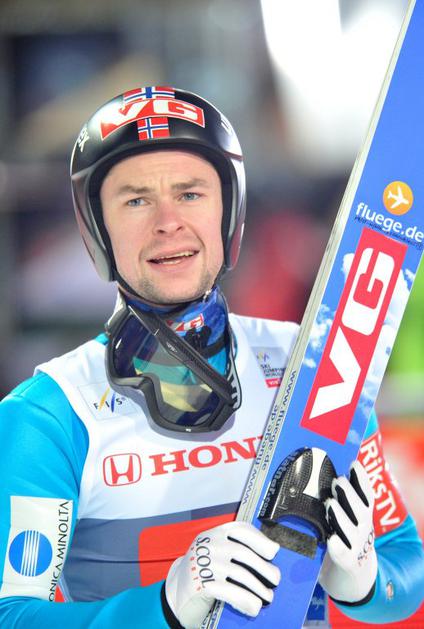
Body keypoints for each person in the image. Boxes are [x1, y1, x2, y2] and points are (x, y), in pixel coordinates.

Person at [0, 86, 422, 629]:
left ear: (230, 212)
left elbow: (405, 566)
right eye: (135, 200)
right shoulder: (50, 416)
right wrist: (168, 603)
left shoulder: (315, 364)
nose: (168, 221)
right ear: (97, 229)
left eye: (190, 193)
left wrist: (365, 581)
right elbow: (11, 615)